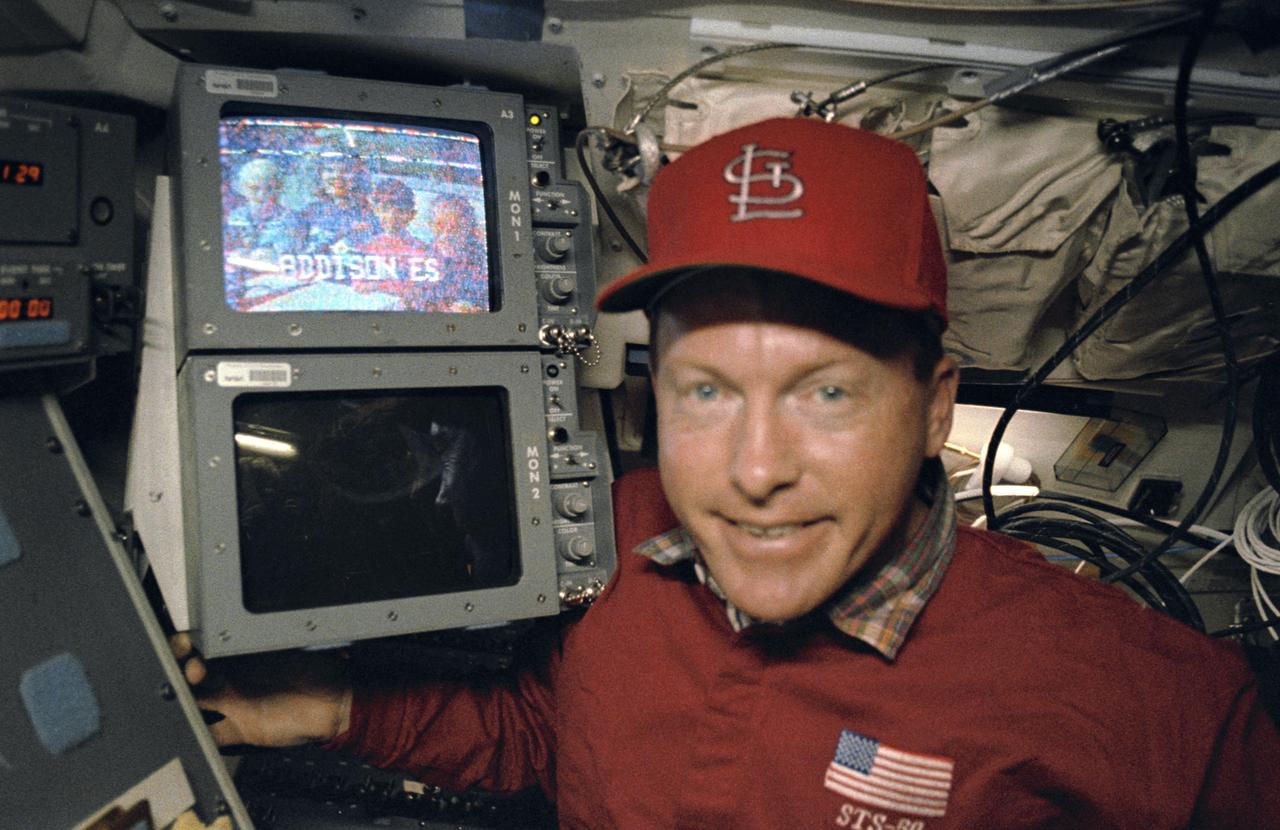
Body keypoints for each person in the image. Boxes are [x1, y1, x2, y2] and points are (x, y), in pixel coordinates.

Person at [176, 117, 1280, 828]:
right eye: (706, 390)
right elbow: (555, 737)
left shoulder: (1154, 699)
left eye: (826, 391)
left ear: (934, 404)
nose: (753, 472)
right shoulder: (615, 534)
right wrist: (334, 709)